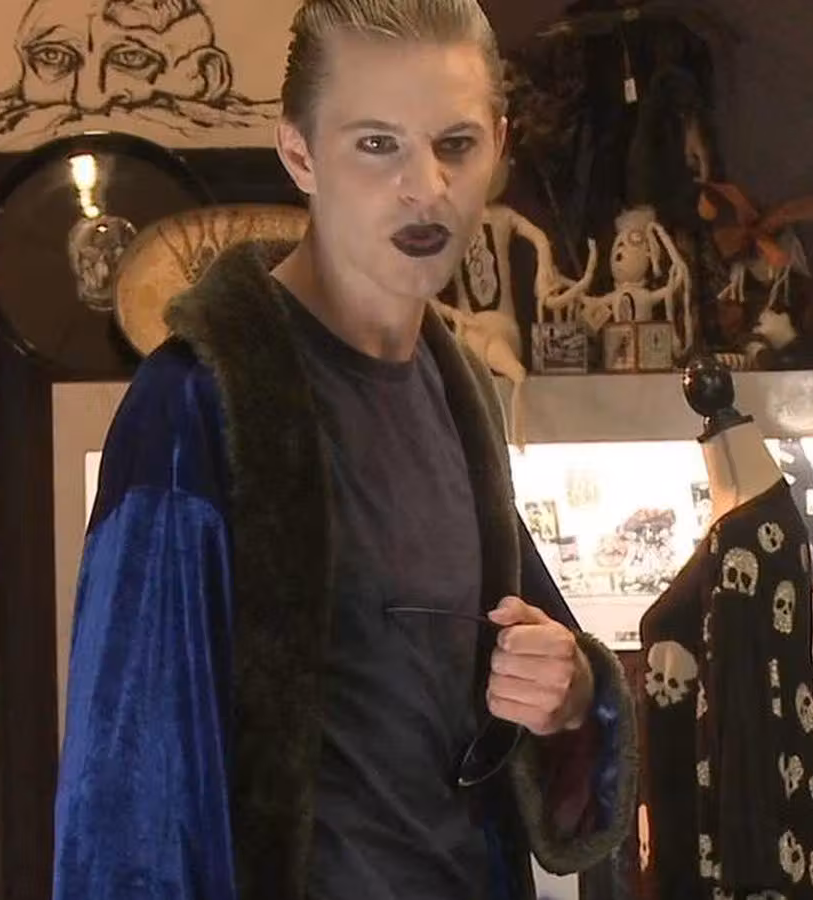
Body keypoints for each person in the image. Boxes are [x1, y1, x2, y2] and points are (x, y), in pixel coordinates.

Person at [51, 2, 636, 899]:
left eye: (455, 144)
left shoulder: (459, 396)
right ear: (299, 154)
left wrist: (569, 692)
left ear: (498, 145)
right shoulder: (194, 406)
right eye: (376, 145)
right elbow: (128, 799)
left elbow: (543, 668)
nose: (425, 187)